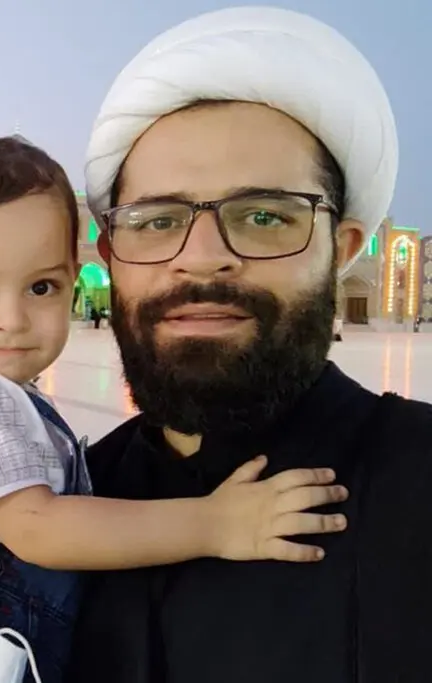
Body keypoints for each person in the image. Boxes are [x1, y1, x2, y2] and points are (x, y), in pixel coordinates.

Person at [0, 136, 348, 683]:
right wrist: (216, 523)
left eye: (41, 287)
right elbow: (39, 529)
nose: (11, 319)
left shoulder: (8, 396)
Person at [69, 7, 432, 682]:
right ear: (111, 254)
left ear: (341, 249)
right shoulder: (69, 500)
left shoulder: (417, 480)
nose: (202, 258)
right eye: (157, 220)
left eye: (264, 215)